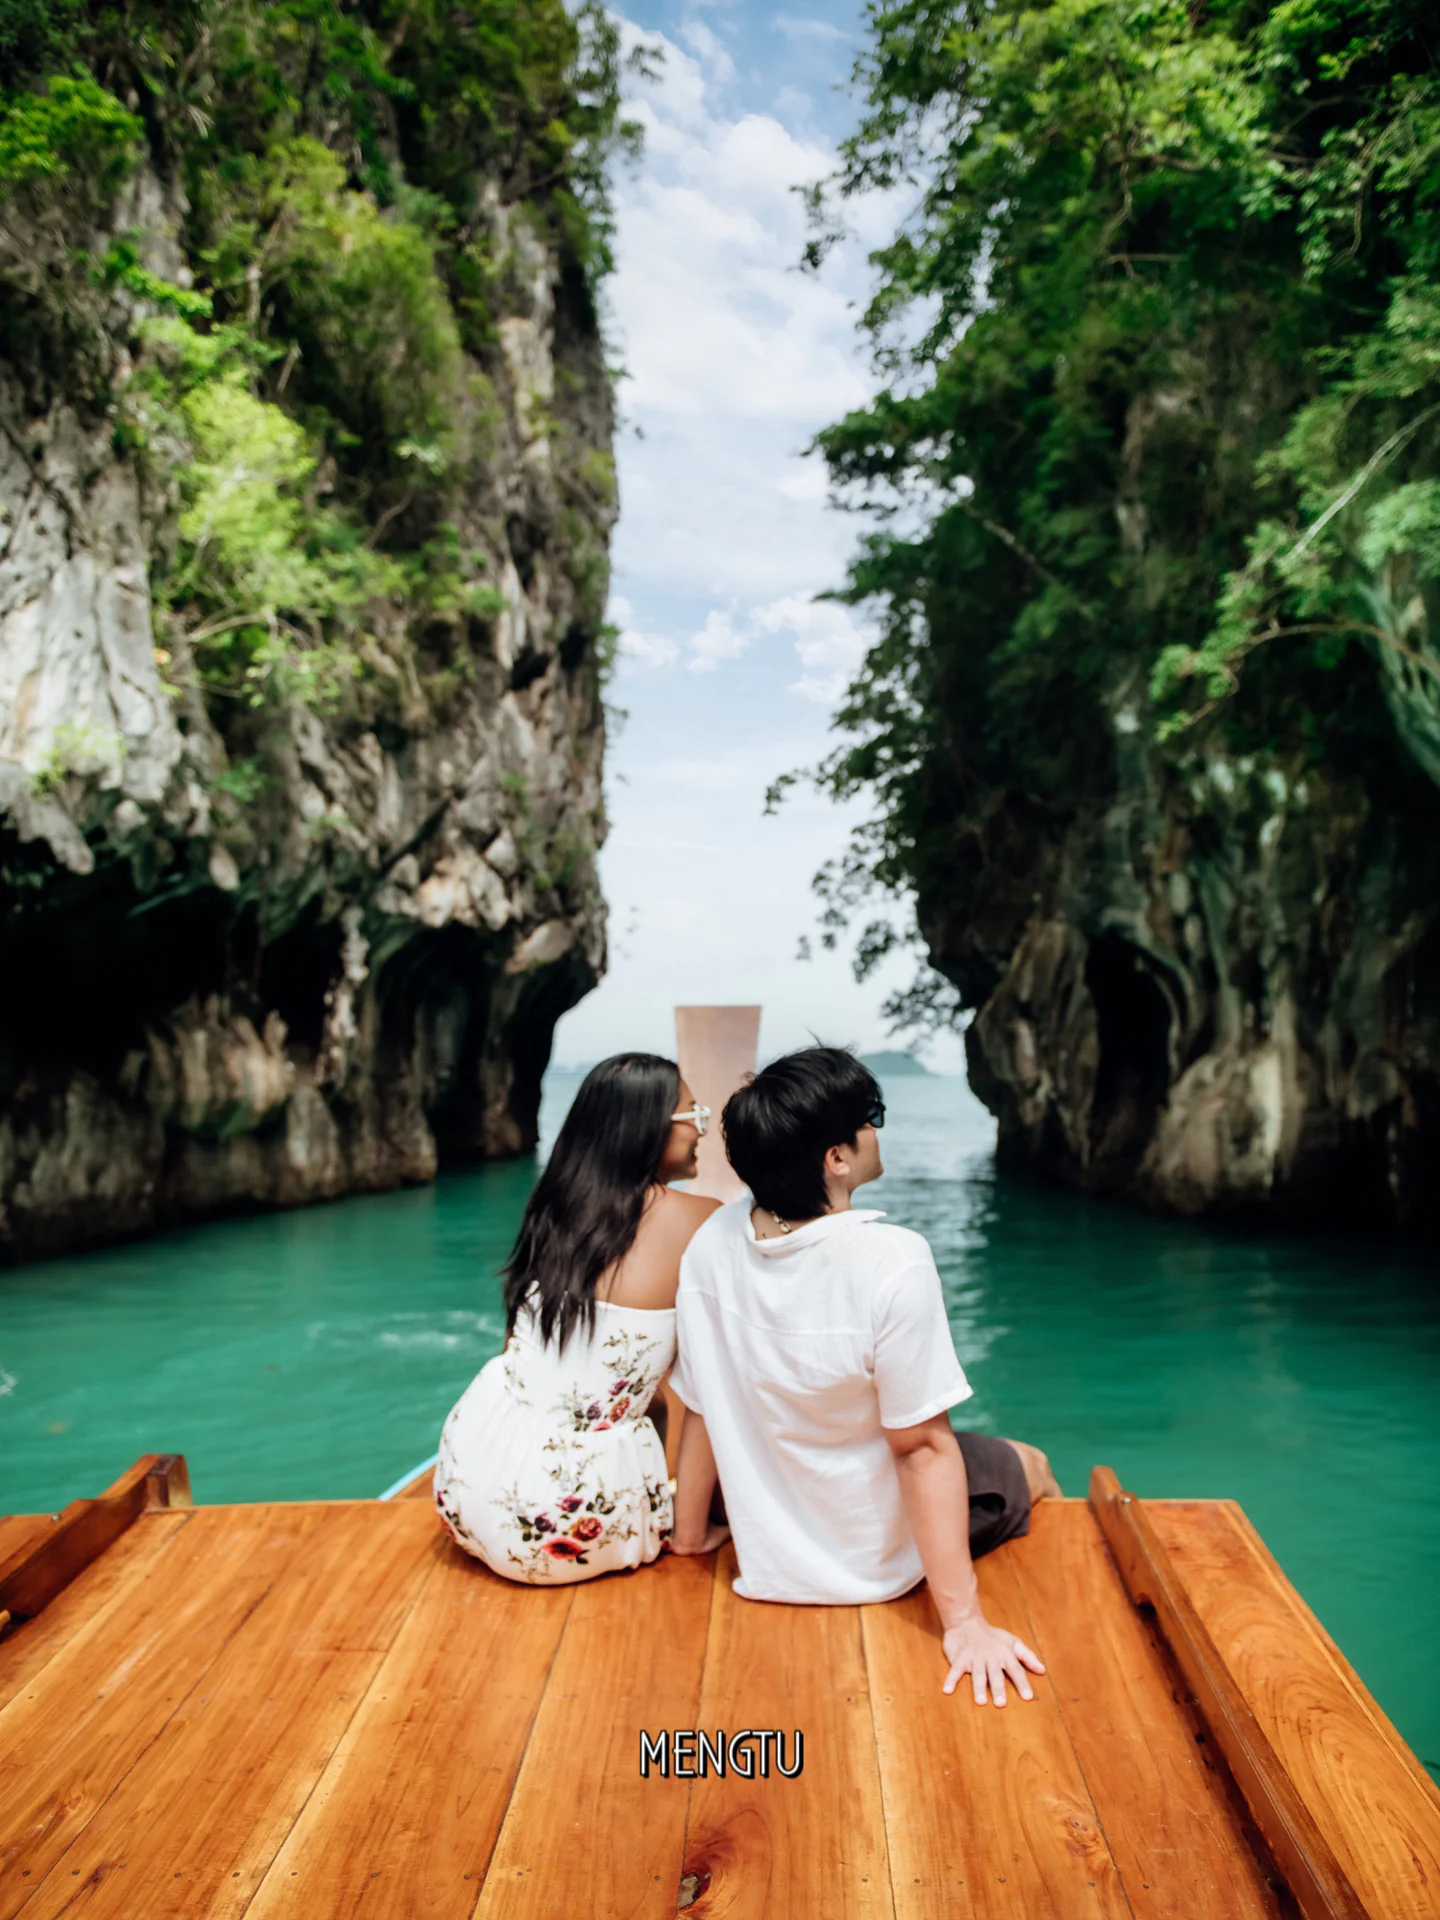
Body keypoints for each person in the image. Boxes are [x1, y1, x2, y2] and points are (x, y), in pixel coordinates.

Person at [666, 1045, 1060, 1706]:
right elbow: (923, 1451)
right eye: (870, 1118)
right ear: (837, 1158)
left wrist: (688, 1537)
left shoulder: (712, 1242)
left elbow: (702, 1405)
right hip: (870, 1561)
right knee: (1033, 1465)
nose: (878, 1129)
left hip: (768, 1556)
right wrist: (965, 1626)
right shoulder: (892, 1262)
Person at [432, 1053, 721, 1582]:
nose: (702, 1129)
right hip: (569, 1525)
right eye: (693, 1116)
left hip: (467, 1481)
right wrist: (692, 1535)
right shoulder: (701, 1222)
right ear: (648, 1129)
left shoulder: (557, 1207)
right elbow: (708, 1393)